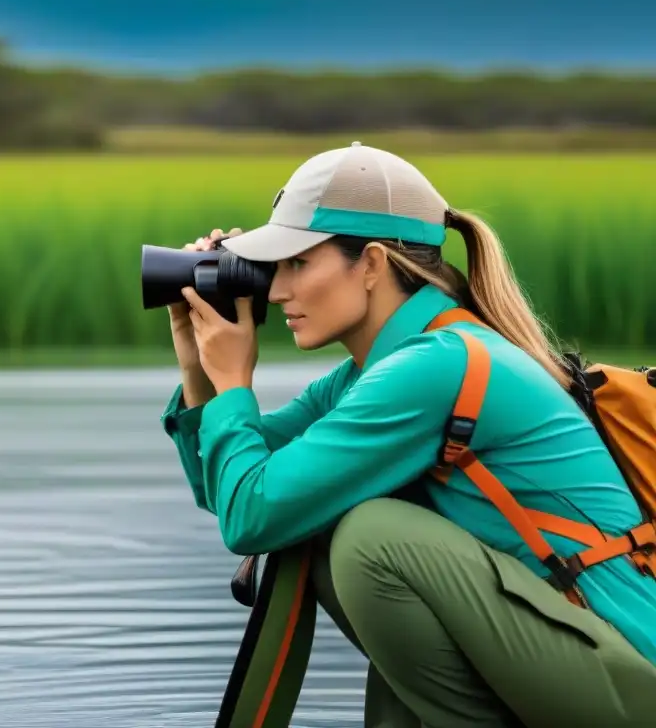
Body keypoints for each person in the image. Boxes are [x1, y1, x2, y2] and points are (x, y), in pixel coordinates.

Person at [159, 142, 656, 727]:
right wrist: (197, 367)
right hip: (580, 662)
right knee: (318, 516)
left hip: (629, 679)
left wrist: (233, 382)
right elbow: (232, 490)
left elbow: (251, 517)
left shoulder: (434, 367)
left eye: (297, 262)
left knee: (372, 536)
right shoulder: (372, 375)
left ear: (370, 264)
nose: (275, 291)